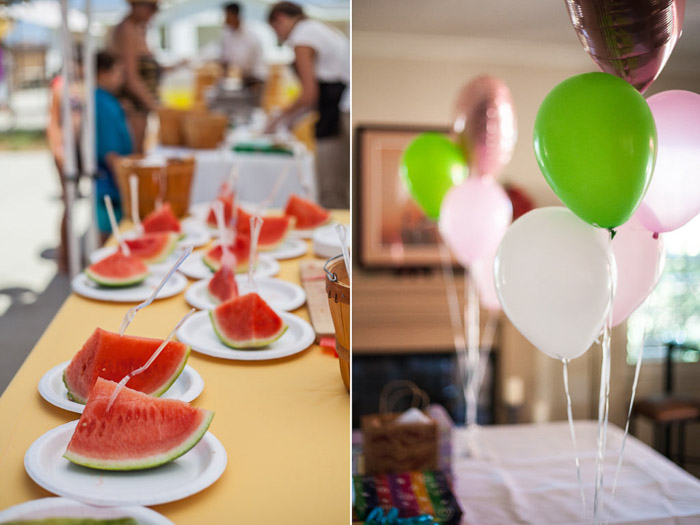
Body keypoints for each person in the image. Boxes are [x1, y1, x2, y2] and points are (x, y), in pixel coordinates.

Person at [266, 2, 350, 209]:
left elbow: (309, 95)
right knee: (343, 185)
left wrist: (277, 119)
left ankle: (334, 238)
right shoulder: (320, 29)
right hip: (341, 108)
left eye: (275, 29)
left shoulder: (302, 37)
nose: (278, 36)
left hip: (335, 115)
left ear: (281, 18)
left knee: (331, 189)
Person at [46, 47, 83, 273]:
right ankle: (64, 256)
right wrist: (59, 152)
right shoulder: (60, 86)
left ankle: (72, 252)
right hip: (66, 152)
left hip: (80, 152)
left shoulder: (84, 86)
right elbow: (52, 123)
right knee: (68, 203)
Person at [109, 0, 161, 154]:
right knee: (134, 157)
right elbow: (131, 79)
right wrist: (157, 108)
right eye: (151, 6)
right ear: (135, 5)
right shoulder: (127, 30)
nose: (154, 12)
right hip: (133, 107)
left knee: (139, 153)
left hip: (140, 108)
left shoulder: (139, 29)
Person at [94, 51, 133, 241]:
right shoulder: (102, 103)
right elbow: (111, 155)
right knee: (110, 239)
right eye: (118, 73)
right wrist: (127, 192)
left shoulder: (105, 100)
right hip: (110, 185)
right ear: (103, 74)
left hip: (111, 183)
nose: (122, 79)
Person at [221, 2, 266, 87]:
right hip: (241, 79)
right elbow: (226, 57)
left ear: (234, 15)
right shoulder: (228, 34)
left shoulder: (250, 35)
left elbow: (242, 60)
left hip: (254, 80)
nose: (225, 19)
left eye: (226, 16)